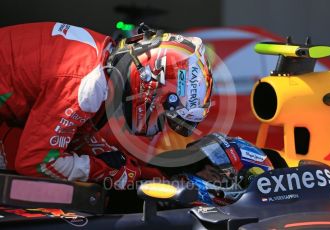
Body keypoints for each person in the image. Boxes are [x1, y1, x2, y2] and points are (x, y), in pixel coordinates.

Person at [0, 22, 213, 189]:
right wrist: (99, 170)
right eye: (165, 113)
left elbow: (75, 138)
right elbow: (35, 162)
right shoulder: (87, 84)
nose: (160, 120)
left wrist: (148, 173)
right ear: (154, 84)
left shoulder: (103, 60)